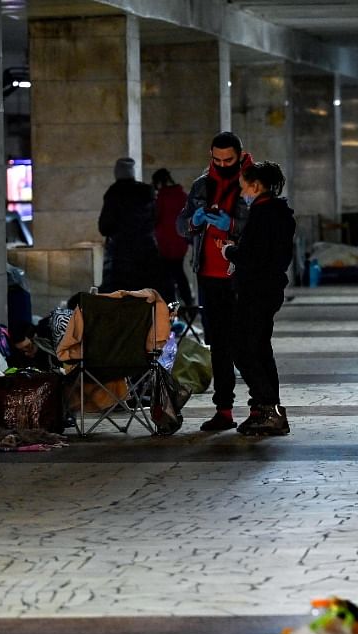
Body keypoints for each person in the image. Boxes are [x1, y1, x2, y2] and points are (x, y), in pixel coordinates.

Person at [177, 131, 254, 432]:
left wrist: (233, 225)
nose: (222, 165)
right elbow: (181, 225)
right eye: (217, 159)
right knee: (218, 346)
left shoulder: (252, 182)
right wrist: (194, 222)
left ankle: (262, 405)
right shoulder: (201, 185)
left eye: (229, 160)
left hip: (240, 277)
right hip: (208, 276)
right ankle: (224, 410)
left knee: (245, 345)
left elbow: (262, 226)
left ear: (239, 155)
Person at [223, 161, 295, 436]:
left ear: (255, 186)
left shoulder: (263, 213)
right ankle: (271, 409)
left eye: (244, 188)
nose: (243, 194)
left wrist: (230, 253)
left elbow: (253, 256)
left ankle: (267, 407)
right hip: (271, 288)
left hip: (256, 290)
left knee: (243, 349)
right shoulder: (281, 212)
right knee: (260, 347)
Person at [98, 158, 168, 300]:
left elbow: (104, 226)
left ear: (117, 173)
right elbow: (156, 219)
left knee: (124, 296)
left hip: (122, 255)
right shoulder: (147, 192)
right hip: (148, 252)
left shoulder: (114, 193)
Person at [152, 168, 193, 309]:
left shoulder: (161, 197)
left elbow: (156, 218)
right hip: (180, 242)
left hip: (165, 243)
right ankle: (189, 304)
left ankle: (170, 307)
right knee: (180, 274)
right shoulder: (182, 195)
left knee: (166, 277)